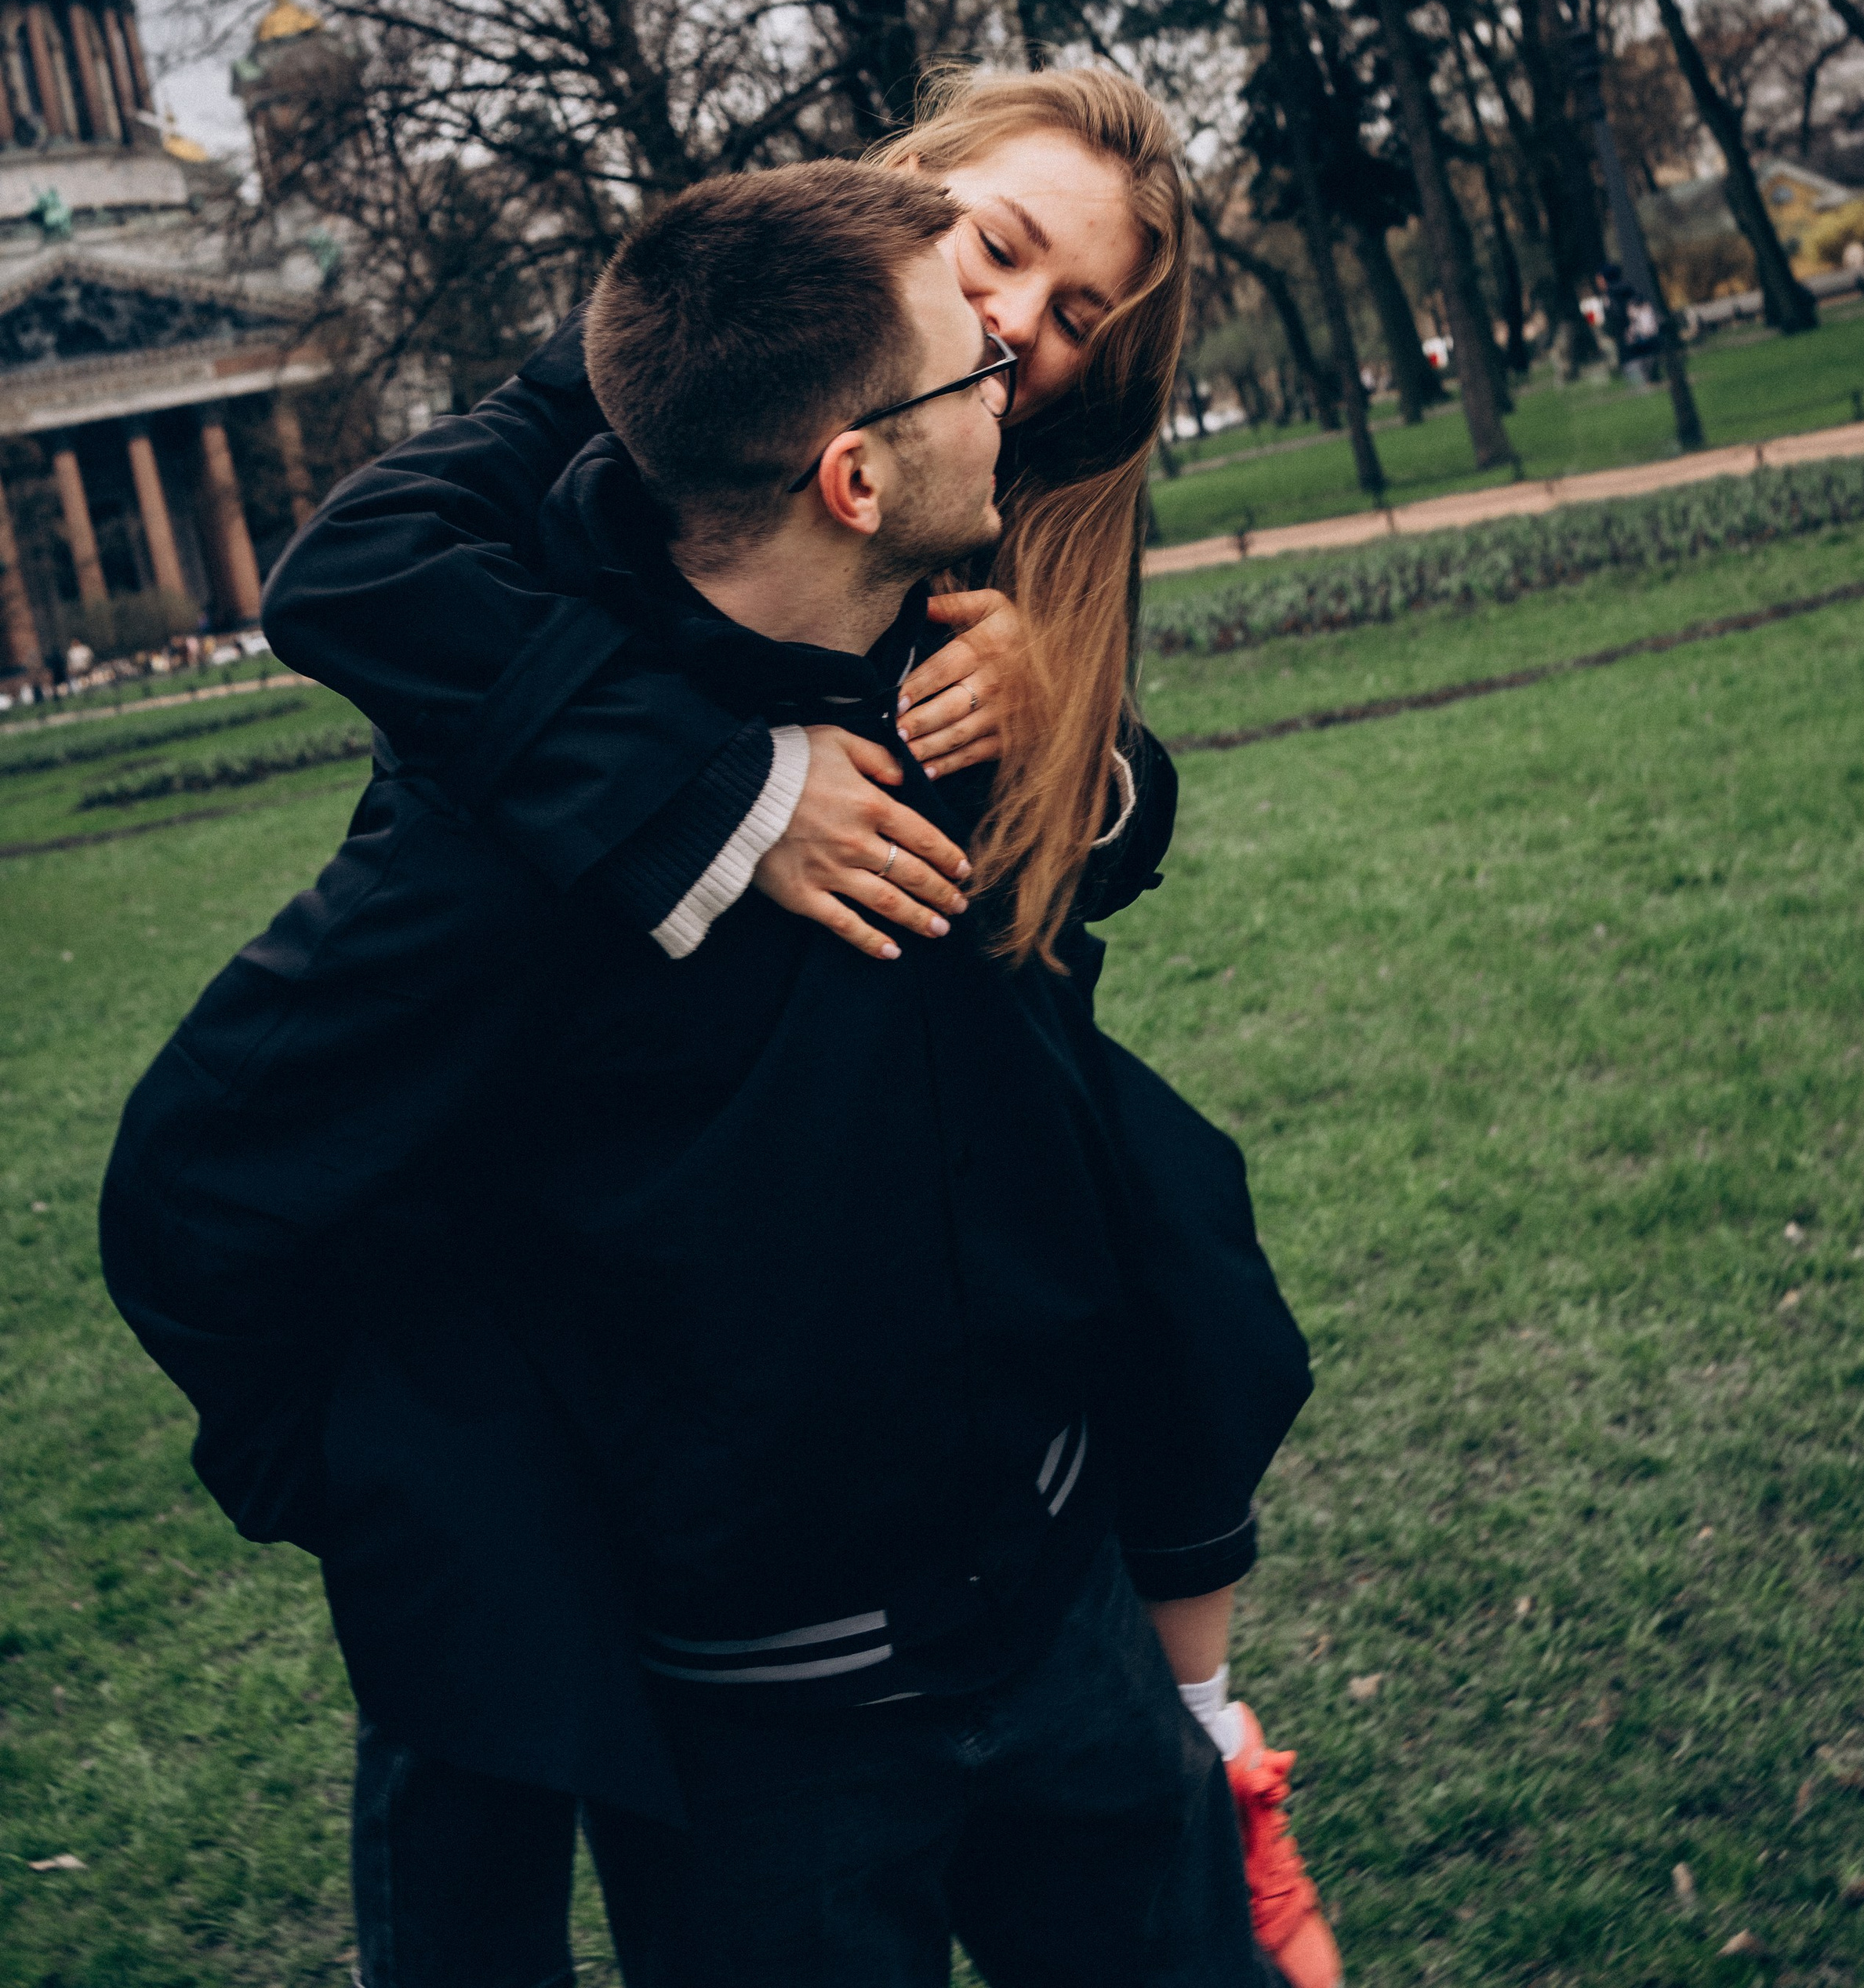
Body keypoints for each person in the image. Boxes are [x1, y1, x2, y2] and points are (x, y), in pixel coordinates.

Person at [102, 164, 1310, 1986]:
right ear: (848, 467)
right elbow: (196, 1197)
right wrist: (440, 1497)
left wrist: (1073, 732)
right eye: (994, 281)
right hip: (769, 1749)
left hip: (1062, 1640)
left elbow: (1083, 889)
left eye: (1067, 325)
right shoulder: (521, 815)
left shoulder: (939, 647)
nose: (1014, 348)